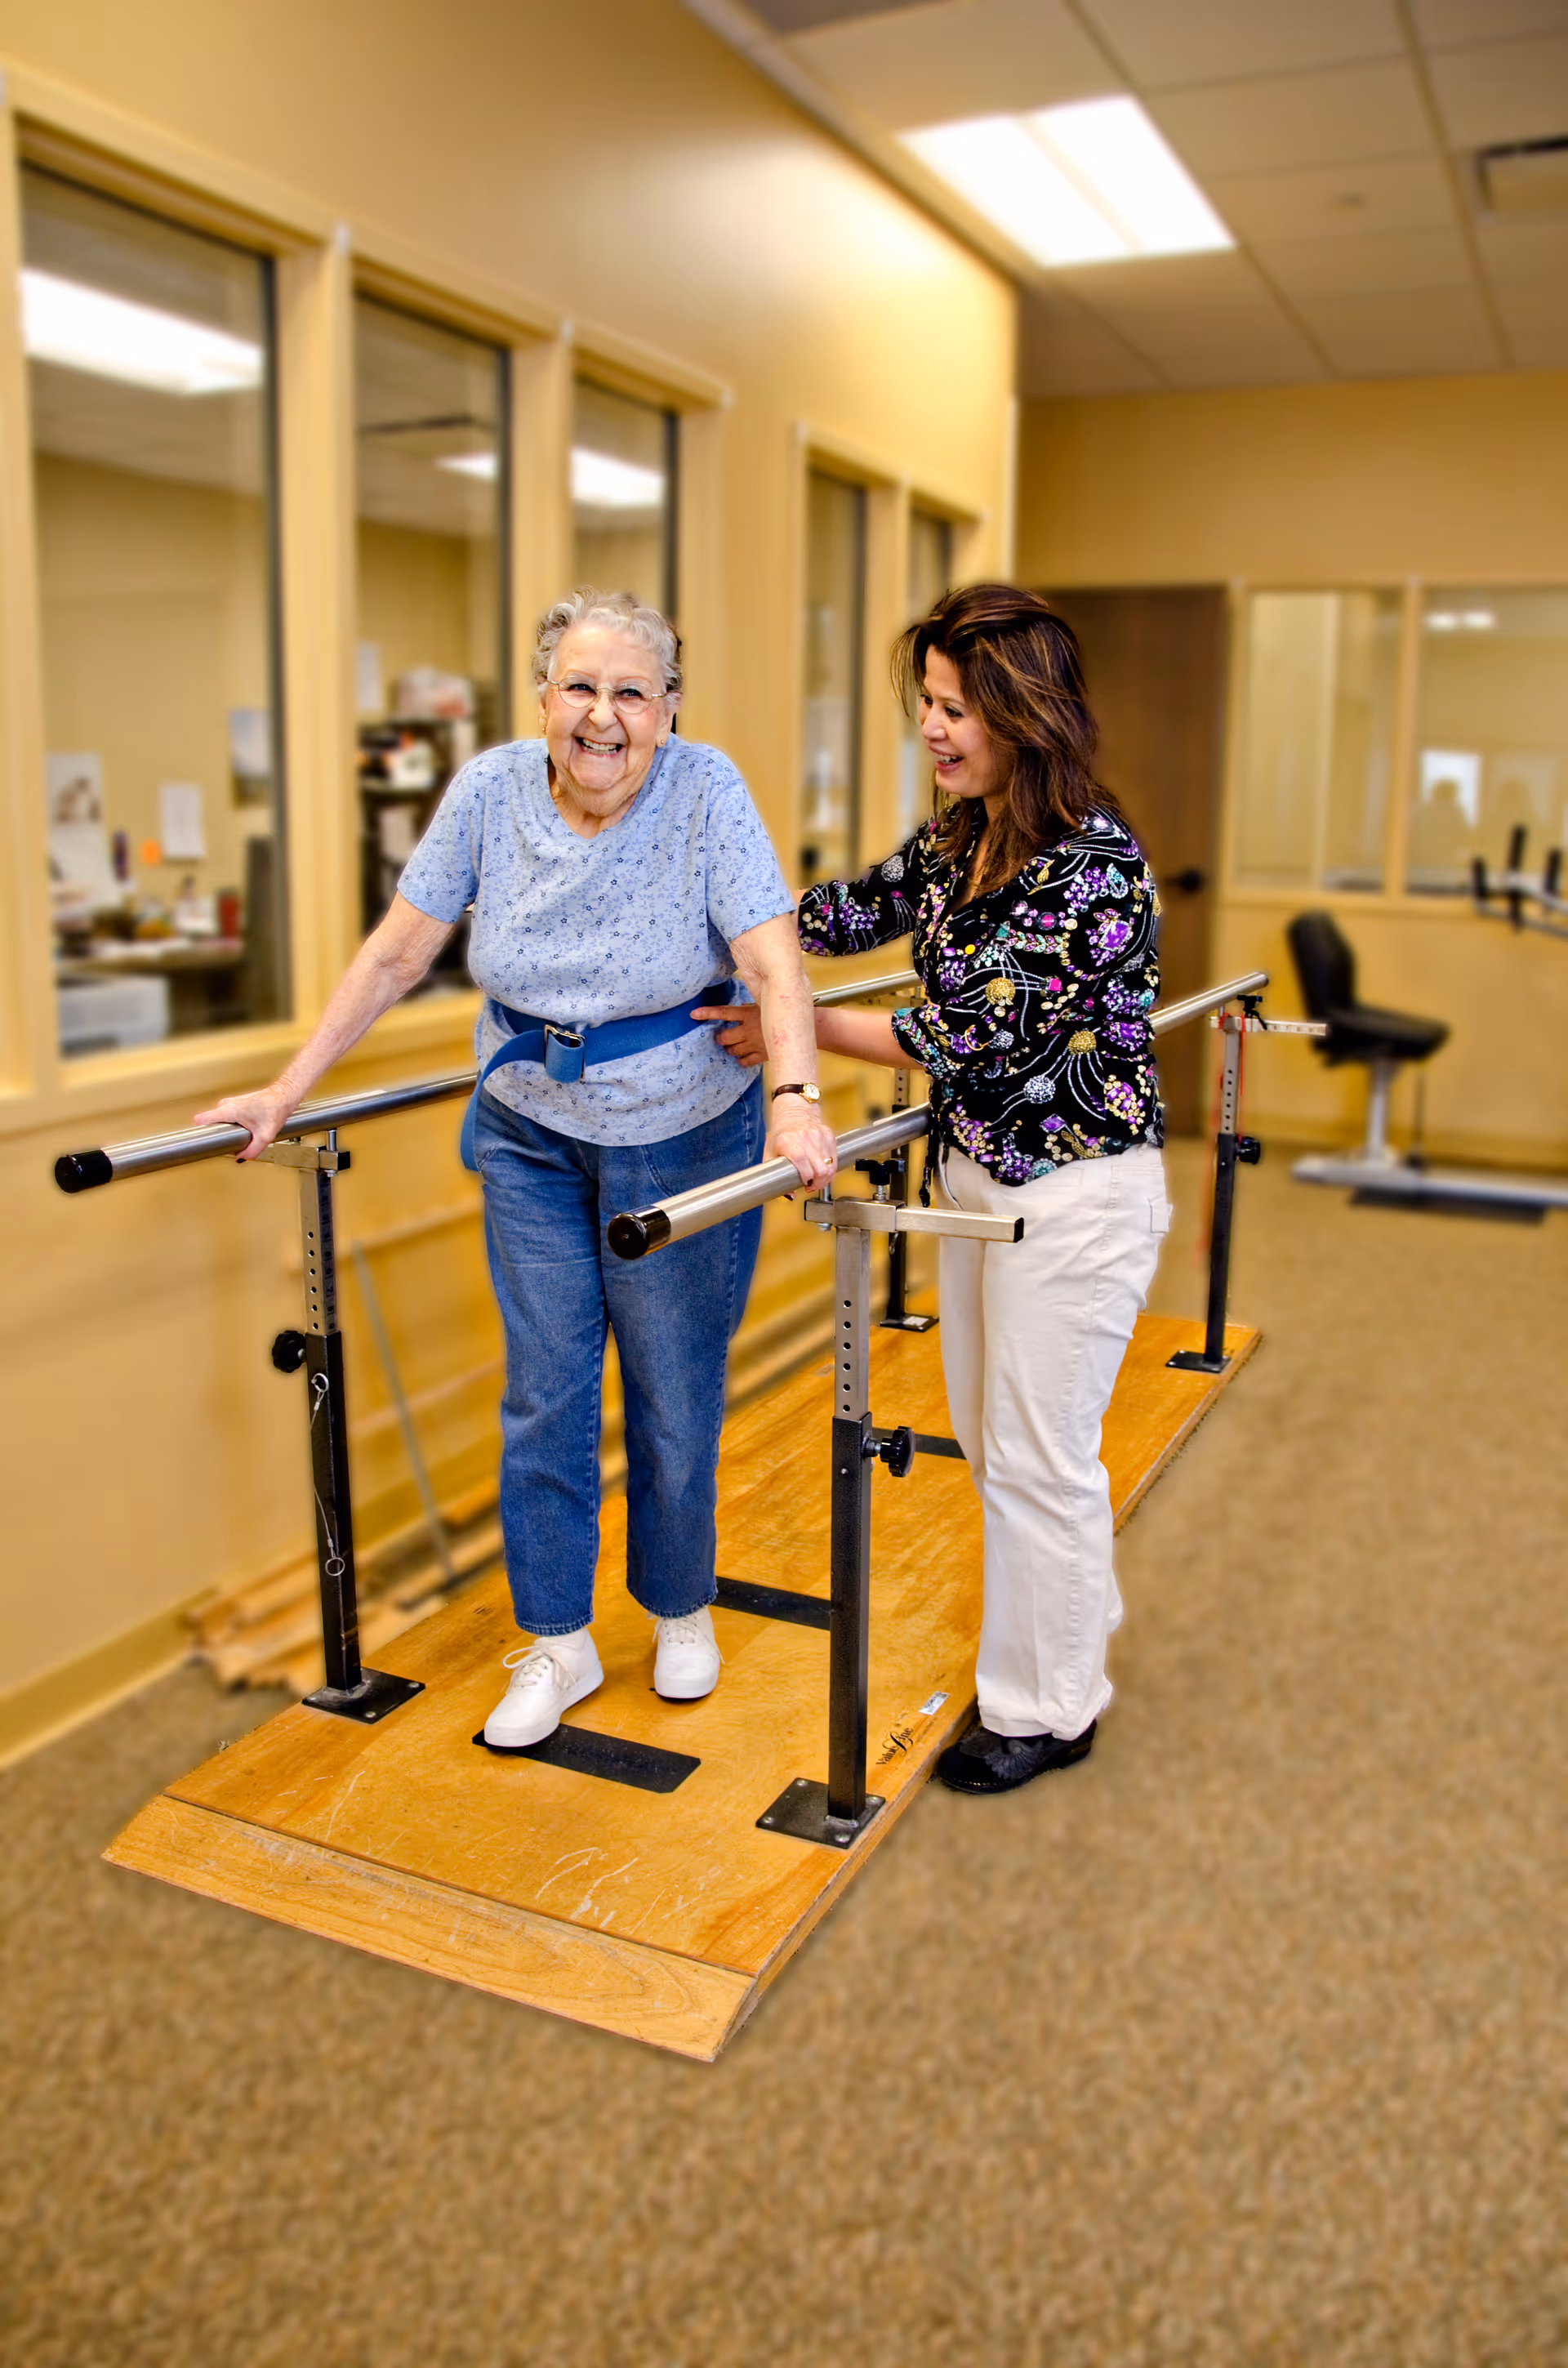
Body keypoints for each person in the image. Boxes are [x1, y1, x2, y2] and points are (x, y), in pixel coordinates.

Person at [197, 588, 836, 1747]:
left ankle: (680, 1606)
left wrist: (794, 1101)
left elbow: (773, 965)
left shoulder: (707, 793)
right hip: (531, 1127)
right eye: (580, 687)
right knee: (545, 1389)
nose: (604, 716)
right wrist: (288, 1090)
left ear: (669, 709)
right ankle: (557, 1639)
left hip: (682, 1127)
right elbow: (399, 950)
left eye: (632, 692)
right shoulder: (490, 790)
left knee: (671, 1388)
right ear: (544, 700)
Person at [698, 583, 1168, 1795]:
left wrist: (789, 1024)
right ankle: (1071, 1627)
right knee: (1003, 1442)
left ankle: (1049, 1707)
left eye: (957, 709)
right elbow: (855, 908)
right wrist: (742, 935)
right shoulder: (965, 835)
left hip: (1076, 1193)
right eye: (927, 706)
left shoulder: (1096, 871)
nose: (935, 730)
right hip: (974, 1181)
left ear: (1026, 714)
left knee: (1033, 1453)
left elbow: (970, 1034)